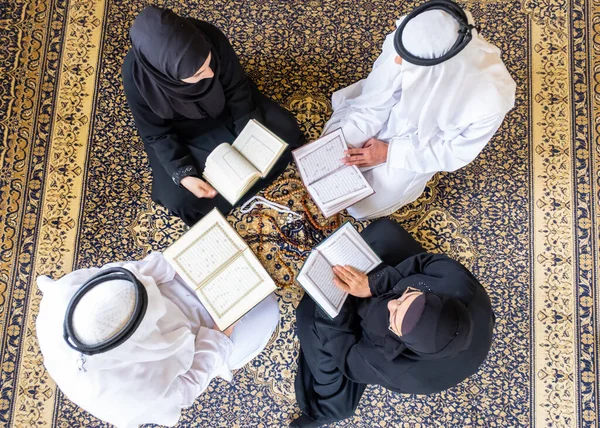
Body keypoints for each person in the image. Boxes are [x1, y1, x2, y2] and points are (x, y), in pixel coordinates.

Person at [322, 0, 516, 220]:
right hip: (387, 114)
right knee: (333, 150)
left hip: (418, 147)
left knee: (363, 205)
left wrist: (389, 152)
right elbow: (376, 97)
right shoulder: (410, 40)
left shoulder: (490, 101)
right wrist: (353, 136)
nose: (398, 60)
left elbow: (455, 152)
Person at [36, 252, 280, 427]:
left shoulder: (65, 294)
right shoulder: (134, 396)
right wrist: (221, 331)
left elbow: (137, 272)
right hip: (201, 337)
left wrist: (186, 258)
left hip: (162, 286)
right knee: (267, 308)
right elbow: (187, 386)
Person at [292, 219, 494, 427]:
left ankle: (331, 409)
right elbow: (424, 263)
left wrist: (338, 300)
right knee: (385, 231)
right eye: (406, 297)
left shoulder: (396, 366)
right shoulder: (459, 284)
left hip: (411, 365)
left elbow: (348, 358)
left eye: (395, 315)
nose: (390, 305)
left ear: (402, 341)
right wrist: (374, 285)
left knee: (310, 316)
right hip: (452, 321)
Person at [122, 6, 304, 226]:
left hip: (226, 107)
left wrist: (249, 134)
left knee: (286, 132)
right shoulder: (137, 79)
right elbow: (156, 134)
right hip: (184, 134)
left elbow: (237, 88)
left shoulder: (208, 35)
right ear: (168, 76)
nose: (210, 74)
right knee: (182, 199)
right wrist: (184, 174)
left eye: (209, 62)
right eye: (198, 73)